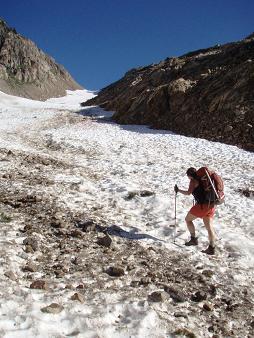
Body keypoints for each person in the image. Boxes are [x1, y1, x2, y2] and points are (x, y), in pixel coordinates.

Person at [174, 167, 216, 255]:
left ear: (190, 176)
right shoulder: (204, 179)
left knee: (188, 220)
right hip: (211, 205)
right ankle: (212, 248)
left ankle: (193, 239)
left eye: (188, 176)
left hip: (202, 206)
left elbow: (188, 193)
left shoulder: (193, 181)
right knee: (209, 227)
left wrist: (178, 190)